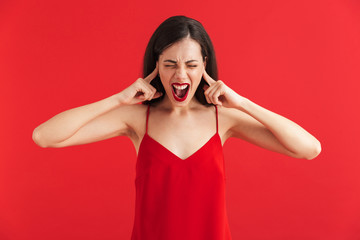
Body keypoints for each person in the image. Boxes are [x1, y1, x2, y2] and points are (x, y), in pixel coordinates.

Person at [32, 15, 321, 240]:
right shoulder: (135, 120)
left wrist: (243, 103)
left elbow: (309, 149)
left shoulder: (224, 119)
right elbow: (44, 137)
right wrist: (118, 99)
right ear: (156, 64)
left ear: (205, 65)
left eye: (191, 64)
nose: (181, 74)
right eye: (170, 64)